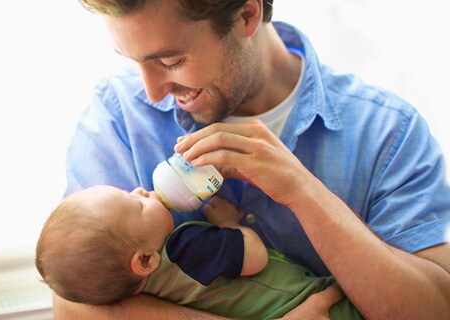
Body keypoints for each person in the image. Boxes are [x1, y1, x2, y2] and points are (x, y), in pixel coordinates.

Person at [57, 0, 450, 319]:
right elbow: (76, 304)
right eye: (134, 61)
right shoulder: (120, 115)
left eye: (171, 61)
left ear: (247, 14)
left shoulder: (388, 132)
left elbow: (434, 311)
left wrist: (304, 192)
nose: (153, 91)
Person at [36, 185, 362, 319]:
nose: (139, 189)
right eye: (137, 203)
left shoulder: (149, 289)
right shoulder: (184, 247)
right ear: (145, 260)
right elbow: (255, 256)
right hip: (302, 302)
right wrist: (228, 222)